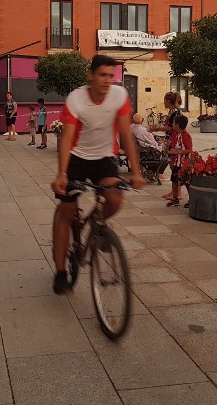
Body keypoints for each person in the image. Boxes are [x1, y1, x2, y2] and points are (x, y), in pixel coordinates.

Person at [50, 55, 144, 294]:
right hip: (76, 158)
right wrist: (62, 174)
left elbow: (126, 134)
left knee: (114, 198)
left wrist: (136, 172)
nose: (107, 80)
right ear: (90, 75)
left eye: (111, 76)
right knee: (67, 209)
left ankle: (97, 226)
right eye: (102, 75)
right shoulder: (77, 99)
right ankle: (60, 272)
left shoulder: (119, 96)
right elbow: (67, 138)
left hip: (104, 157)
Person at [166, 115, 193, 207]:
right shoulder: (176, 135)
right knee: (174, 179)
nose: (173, 125)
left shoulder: (186, 136)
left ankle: (191, 199)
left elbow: (189, 149)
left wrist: (177, 152)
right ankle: (175, 198)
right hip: (176, 162)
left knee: (186, 181)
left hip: (183, 163)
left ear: (177, 125)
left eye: (174, 123)